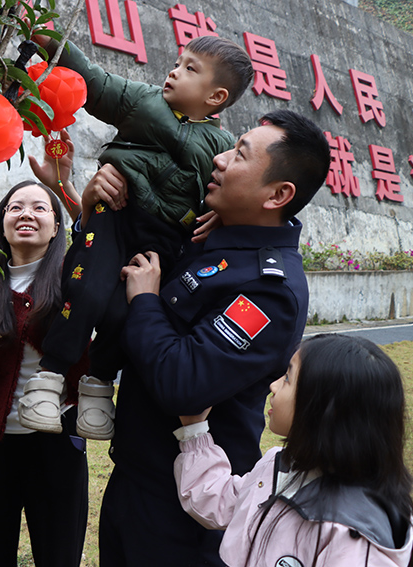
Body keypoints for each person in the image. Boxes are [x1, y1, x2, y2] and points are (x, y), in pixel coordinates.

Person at [103, 109, 332, 566]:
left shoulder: (270, 290)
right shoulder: (214, 235)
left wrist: (145, 302)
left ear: (278, 194)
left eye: (239, 154)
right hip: (135, 478)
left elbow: (184, 383)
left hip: (185, 511)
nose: (220, 160)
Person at [19, 34, 254, 440]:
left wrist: (221, 213)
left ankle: (98, 386)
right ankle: (49, 377)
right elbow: (91, 80)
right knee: (86, 290)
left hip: (163, 239)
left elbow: (234, 191)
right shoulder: (142, 100)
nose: (174, 70)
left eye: (189, 68)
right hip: (114, 215)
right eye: (178, 62)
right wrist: (46, 35)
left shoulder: (222, 147)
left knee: (122, 312)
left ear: (216, 96)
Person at [174, 334, 413, 567]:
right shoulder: (279, 466)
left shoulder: (353, 534)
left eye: (287, 379)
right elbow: (223, 501)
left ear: (324, 411)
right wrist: (195, 432)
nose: (273, 386)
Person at [0, 180, 89, 567]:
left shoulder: (74, 280)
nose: (26, 214)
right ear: (1, 222)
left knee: (58, 555)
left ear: (57, 226)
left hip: (55, 443)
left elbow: (94, 241)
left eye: (40, 208)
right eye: (15, 207)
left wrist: (69, 187)